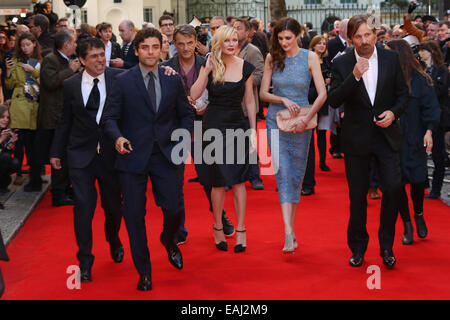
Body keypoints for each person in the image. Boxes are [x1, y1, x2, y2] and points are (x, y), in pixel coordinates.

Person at [102, 27, 194, 291]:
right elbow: (109, 118)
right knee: (133, 216)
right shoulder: (123, 80)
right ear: (138, 50)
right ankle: (144, 271)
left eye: (156, 47)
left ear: (162, 49)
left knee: (175, 209)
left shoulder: (172, 78)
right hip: (132, 156)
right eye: (146, 48)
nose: (151, 52)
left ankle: (169, 240)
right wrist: (117, 138)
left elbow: (186, 115)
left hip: (166, 155)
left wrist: (183, 138)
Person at [328, 14, 409, 268]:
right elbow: (334, 100)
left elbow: (404, 95)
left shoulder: (391, 58)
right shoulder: (341, 63)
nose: (364, 41)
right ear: (350, 38)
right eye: (358, 36)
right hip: (357, 139)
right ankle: (358, 247)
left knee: (394, 188)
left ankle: (387, 246)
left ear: (375, 34)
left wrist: (394, 113)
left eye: (367, 35)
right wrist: (354, 76)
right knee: (357, 196)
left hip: (386, 136)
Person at [49, 37, 124, 282]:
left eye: (102, 54)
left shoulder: (118, 78)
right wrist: (56, 152)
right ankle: (85, 260)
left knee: (113, 208)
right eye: (93, 56)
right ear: (81, 60)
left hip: (111, 156)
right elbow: (65, 121)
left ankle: (113, 240)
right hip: (80, 155)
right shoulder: (70, 85)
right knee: (83, 208)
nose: (100, 60)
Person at [162, 24, 235, 244]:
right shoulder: (165, 67)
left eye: (189, 43)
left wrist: (208, 108)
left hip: (204, 127)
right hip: (175, 130)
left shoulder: (209, 64)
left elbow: (220, 94)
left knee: (208, 178)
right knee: (174, 182)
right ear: (174, 44)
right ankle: (178, 228)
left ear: (196, 43)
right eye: (180, 44)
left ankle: (221, 218)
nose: (185, 48)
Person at [259, 18, 326, 253]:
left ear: (298, 35)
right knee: (282, 173)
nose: (284, 42)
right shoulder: (271, 58)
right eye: (280, 38)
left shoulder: (309, 57)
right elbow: (263, 93)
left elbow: (322, 94)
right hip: (276, 121)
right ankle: (288, 232)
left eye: (288, 38)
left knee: (296, 176)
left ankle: (291, 229)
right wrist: (282, 99)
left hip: (302, 122)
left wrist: (306, 120)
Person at [190, 25, 257, 253]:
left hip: (237, 125)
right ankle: (218, 227)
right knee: (218, 181)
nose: (232, 44)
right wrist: (206, 71)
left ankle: (240, 230)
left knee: (238, 181)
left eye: (235, 40)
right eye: (227, 40)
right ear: (218, 42)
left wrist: (253, 130)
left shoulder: (246, 67)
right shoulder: (208, 64)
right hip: (214, 126)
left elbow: (249, 101)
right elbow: (194, 94)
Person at [385, 39, 440, 245]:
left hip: (415, 138)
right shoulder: (386, 79)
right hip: (392, 139)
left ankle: (418, 214)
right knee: (396, 184)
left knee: (417, 180)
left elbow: (431, 108)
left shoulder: (421, 80)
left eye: (389, 53)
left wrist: (429, 131)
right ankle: (407, 223)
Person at [24, 30, 80, 208]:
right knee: (58, 157)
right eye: (74, 42)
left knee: (66, 156)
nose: (76, 45)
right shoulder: (51, 59)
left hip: (64, 115)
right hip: (54, 117)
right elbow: (49, 82)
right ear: (66, 45)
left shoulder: (65, 59)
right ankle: (58, 193)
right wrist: (70, 71)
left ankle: (65, 189)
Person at [5, 32, 41, 187]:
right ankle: (18, 172)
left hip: (36, 102)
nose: (25, 48)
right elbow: (9, 85)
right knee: (19, 141)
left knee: (34, 143)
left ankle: (36, 174)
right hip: (20, 102)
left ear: (34, 44)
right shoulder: (14, 61)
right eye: (22, 45)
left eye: (28, 44)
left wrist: (33, 71)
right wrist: (7, 71)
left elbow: (45, 80)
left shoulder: (40, 60)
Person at [233, 18, 265, 191]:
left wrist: (242, 80)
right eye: (233, 28)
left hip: (246, 105)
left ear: (247, 32)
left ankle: (254, 176)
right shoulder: (227, 49)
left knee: (249, 143)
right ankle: (233, 177)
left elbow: (260, 75)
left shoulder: (252, 51)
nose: (235, 31)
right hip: (230, 105)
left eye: (239, 28)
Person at [417, 41, 450, 199]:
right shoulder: (421, 69)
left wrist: (427, 91)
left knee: (438, 154)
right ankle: (423, 183)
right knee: (421, 152)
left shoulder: (441, 70)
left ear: (431, 52)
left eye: (423, 50)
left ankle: (436, 189)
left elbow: (440, 90)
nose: (421, 53)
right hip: (423, 115)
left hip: (438, 117)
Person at [0, 105, 19, 195]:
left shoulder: (5, 131)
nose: (6, 120)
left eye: (7, 117)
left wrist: (10, 144)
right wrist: (1, 140)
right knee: (6, 158)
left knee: (14, 162)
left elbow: (4, 153)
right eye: (2, 117)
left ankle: (3, 184)